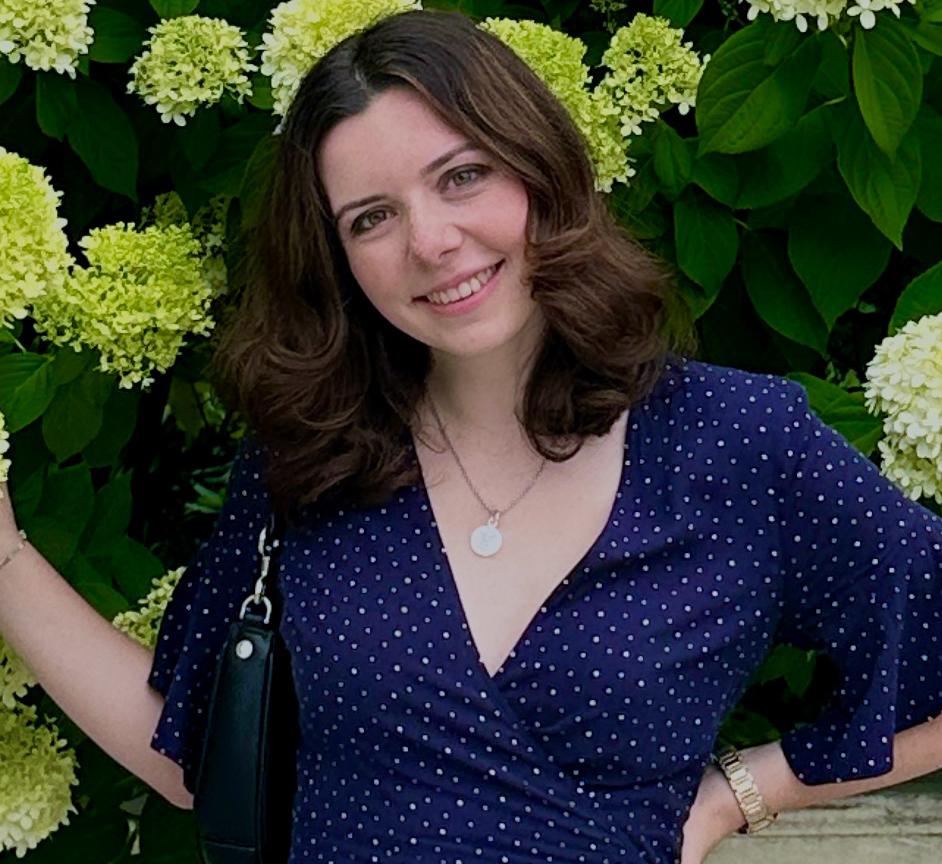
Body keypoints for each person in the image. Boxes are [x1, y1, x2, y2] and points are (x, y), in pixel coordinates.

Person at [1, 8, 941, 864]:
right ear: (337, 259)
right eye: (371, 218)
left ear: (539, 168)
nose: (431, 240)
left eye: (462, 176)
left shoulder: (739, 444)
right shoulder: (314, 456)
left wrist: (744, 792)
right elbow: (198, 750)